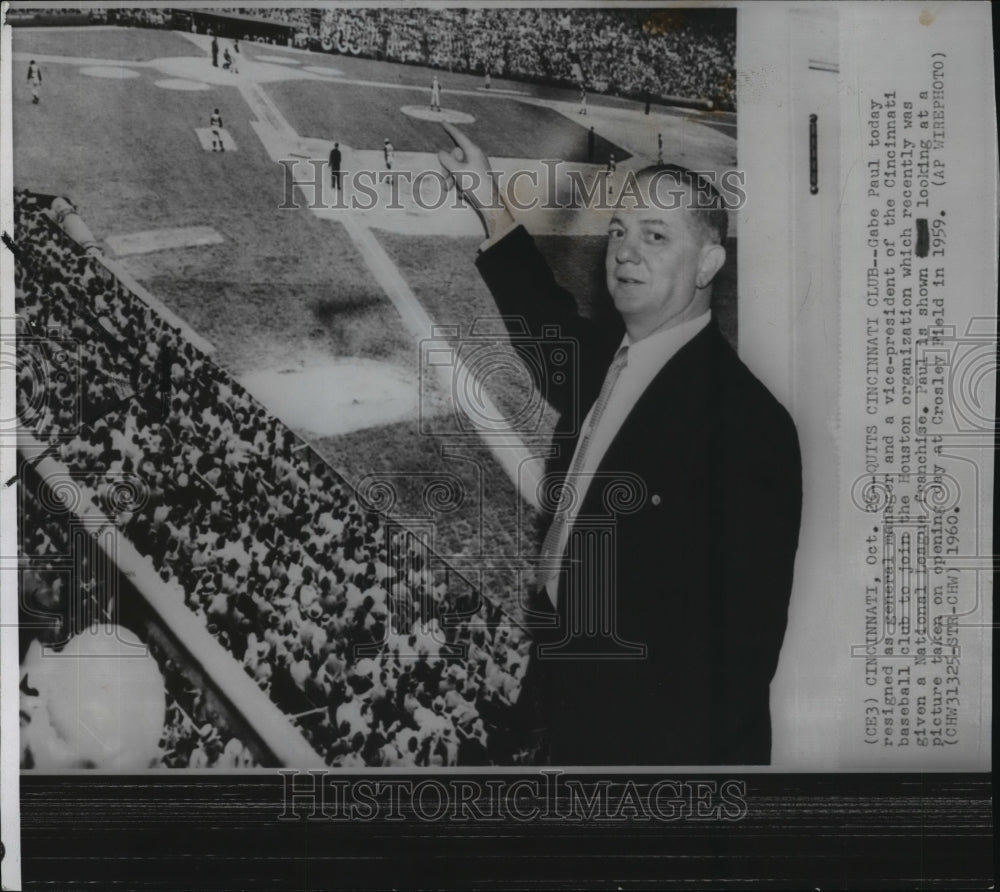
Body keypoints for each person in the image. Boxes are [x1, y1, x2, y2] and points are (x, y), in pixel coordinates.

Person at [438, 122, 802, 766]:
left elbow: (736, 661)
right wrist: (486, 199)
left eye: (655, 237)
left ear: (709, 263)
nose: (625, 252)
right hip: (561, 687)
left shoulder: (751, 428)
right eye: (618, 231)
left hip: (636, 738)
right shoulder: (612, 357)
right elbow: (542, 320)